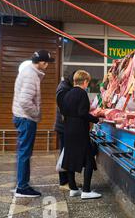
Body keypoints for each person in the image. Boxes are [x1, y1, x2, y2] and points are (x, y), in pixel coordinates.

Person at [12, 50, 54, 198]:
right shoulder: (31, 75)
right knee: (25, 153)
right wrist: (36, 114)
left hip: (21, 117)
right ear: (41, 62)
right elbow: (24, 101)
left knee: (23, 152)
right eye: (47, 62)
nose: (48, 65)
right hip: (26, 118)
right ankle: (22, 187)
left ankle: (21, 184)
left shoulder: (28, 72)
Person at [61, 70, 102, 200]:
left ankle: (73, 188)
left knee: (70, 158)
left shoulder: (67, 94)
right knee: (89, 159)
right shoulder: (82, 93)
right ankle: (86, 190)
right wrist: (96, 119)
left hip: (68, 129)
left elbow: (66, 112)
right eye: (87, 82)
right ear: (85, 82)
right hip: (79, 130)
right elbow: (83, 113)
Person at [54, 72, 75, 188]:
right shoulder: (64, 89)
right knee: (65, 154)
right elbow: (64, 108)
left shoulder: (65, 87)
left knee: (65, 153)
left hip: (63, 126)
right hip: (64, 127)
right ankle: (64, 182)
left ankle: (67, 181)